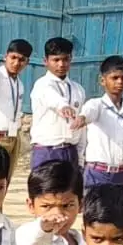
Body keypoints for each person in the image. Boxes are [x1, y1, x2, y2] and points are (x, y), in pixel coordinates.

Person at [73, 55, 123, 187]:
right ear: (102, 80)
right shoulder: (96, 104)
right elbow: (89, 112)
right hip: (98, 173)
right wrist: (82, 118)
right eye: (115, 78)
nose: (120, 82)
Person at [29, 37, 85, 168]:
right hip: (47, 151)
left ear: (71, 59)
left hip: (71, 150)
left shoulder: (78, 89)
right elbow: (52, 98)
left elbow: (82, 127)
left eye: (65, 59)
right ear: (46, 61)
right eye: (56, 60)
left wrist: (81, 158)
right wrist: (63, 105)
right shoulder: (42, 84)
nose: (61, 64)